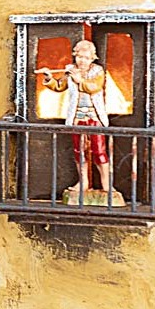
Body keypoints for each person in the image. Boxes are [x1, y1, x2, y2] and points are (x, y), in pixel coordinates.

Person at [38, 39, 113, 196]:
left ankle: (106, 183)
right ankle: (83, 182)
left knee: (99, 150)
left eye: (86, 57)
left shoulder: (98, 71)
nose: (82, 61)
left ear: (92, 58)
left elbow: (94, 87)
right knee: (79, 151)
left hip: (94, 117)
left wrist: (80, 80)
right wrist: (49, 78)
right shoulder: (70, 70)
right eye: (79, 57)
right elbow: (60, 86)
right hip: (77, 117)